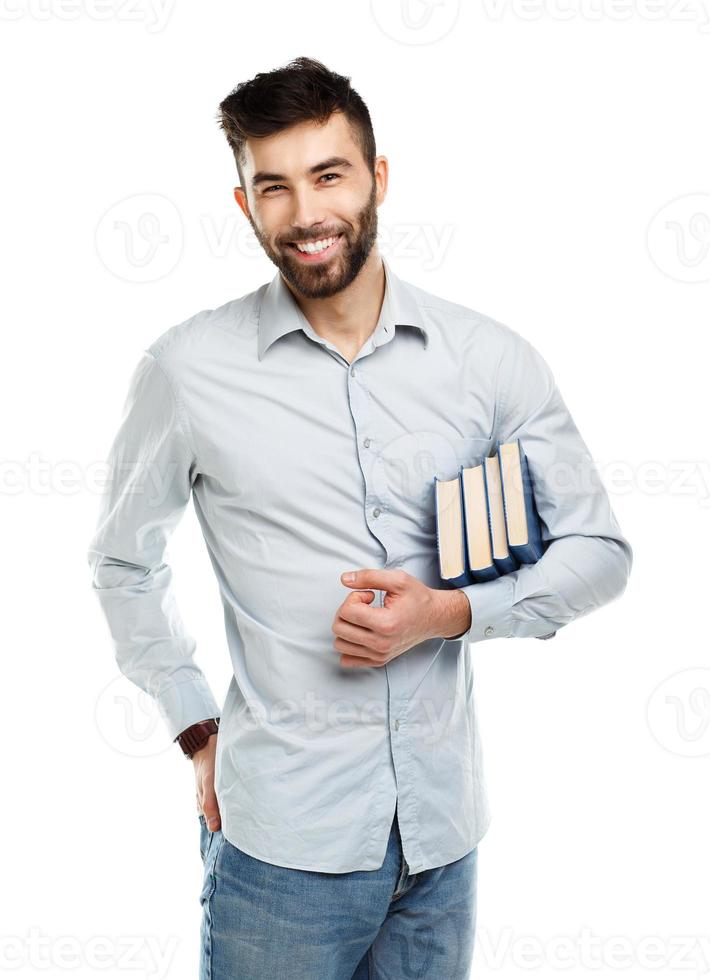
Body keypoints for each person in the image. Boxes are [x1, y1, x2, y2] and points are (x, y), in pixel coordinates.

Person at [87, 56, 633, 980]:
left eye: (329, 175)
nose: (306, 213)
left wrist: (448, 614)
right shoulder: (187, 370)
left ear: (378, 179)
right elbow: (122, 565)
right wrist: (194, 727)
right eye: (275, 186)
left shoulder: (488, 360)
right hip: (280, 850)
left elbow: (601, 550)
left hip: (443, 843)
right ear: (245, 204)